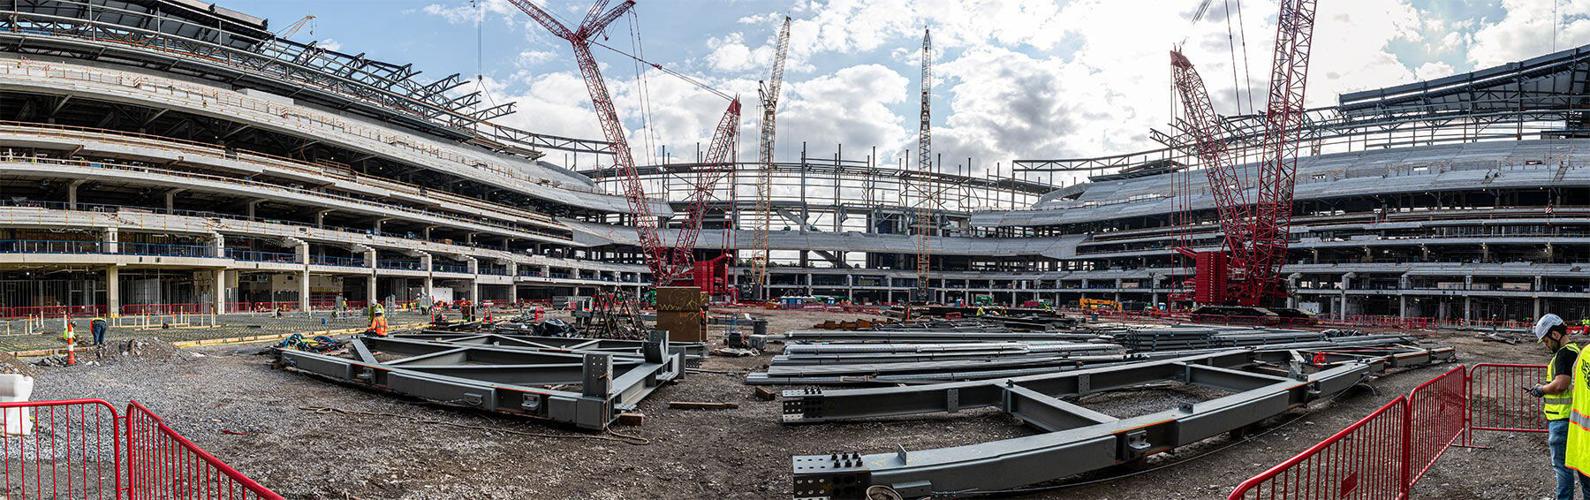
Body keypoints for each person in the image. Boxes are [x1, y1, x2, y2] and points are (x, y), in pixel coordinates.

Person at [1539, 314, 1590, 500]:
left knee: (1562, 469)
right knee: (1583, 468)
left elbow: (1561, 383)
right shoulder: (1577, 351)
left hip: (1562, 420)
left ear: (1555, 334)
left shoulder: (1564, 354)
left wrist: (1542, 389)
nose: (1546, 345)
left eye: (1546, 340)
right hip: (1576, 422)